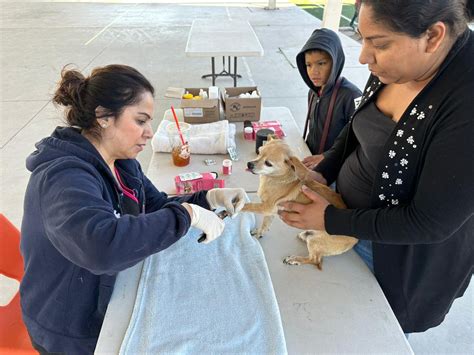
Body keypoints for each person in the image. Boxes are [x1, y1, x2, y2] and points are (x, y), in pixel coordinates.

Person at [20, 64, 247, 353]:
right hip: (70, 328)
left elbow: (155, 206)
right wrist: (188, 215)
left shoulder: (122, 162)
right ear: (103, 117)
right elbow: (101, 246)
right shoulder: (63, 178)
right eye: (140, 121)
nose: (149, 133)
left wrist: (208, 199)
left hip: (105, 295)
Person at [279, 0, 473, 334]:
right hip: (342, 213)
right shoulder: (395, 66)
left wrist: (330, 219)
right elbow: (357, 126)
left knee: (367, 335)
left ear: (433, 36)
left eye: (379, 43)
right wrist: (325, 171)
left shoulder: (465, 101)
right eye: (362, 38)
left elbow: (429, 223)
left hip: (396, 258)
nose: (363, 57)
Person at [296, 28, 362, 169]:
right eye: (309, 65)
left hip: (335, 168)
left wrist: (328, 157)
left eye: (321, 63)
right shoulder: (313, 92)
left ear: (335, 61)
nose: (314, 71)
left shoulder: (352, 95)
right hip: (310, 160)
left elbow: (358, 140)